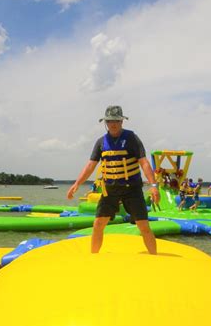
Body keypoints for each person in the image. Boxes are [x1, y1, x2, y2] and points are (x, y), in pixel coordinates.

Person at [67, 105, 159, 255]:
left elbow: (144, 162)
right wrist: (77, 183)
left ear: (122, 122)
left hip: (132, 188)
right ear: (105, 123)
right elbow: (91, 165)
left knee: (143, 225)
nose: (113, 124)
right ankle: (94, 257)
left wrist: (153, 185)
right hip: (110, 189)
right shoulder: (101, 142)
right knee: (98, 224)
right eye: (110, 121)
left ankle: (155, 258)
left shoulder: (131, 138)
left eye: (116, 120)